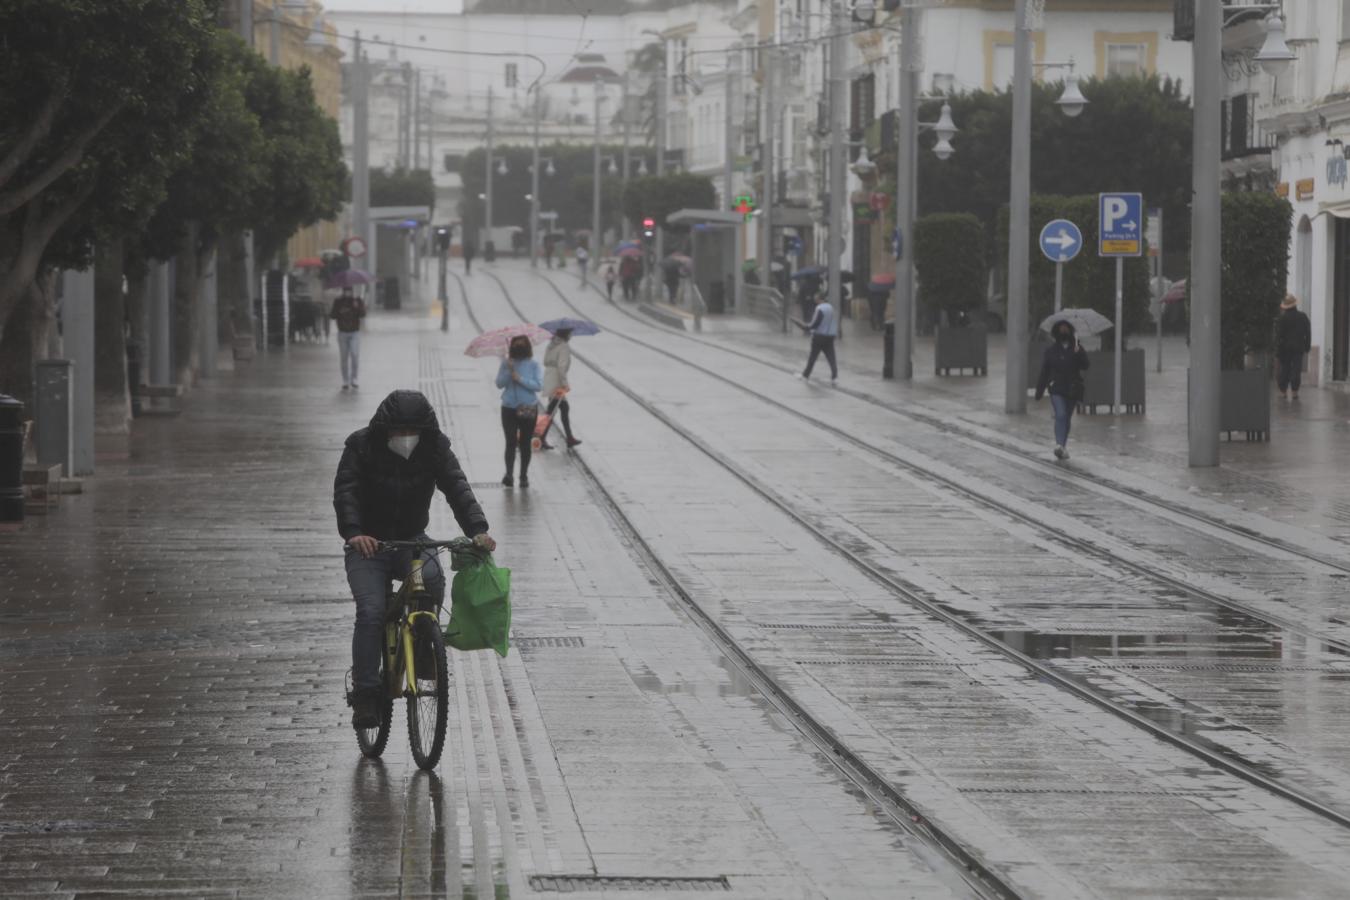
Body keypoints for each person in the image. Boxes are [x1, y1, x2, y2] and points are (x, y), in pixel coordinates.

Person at [334, 389, 497, 729]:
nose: (405, 438)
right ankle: (365, 693)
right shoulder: (360, 447)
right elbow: (346, 491)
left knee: (434, 579)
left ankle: (425, 650)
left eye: (412, 432)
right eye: (398, 431)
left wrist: (477, 530)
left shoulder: (436, 448)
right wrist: (354, 533)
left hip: (413, 539)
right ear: (384, 429)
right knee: (371, 612)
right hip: (369, 544)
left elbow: (457, 487)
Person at [1034, 319, 1090, 460]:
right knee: (1060, 414)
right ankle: (1059, 444)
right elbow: (1045, 372)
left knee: (1067, 418)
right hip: (1056, 388)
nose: (1064, 331)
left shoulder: (1077, 348)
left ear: (1070, 331)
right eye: (1061, 328)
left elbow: (1086, 365)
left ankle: (1062, 448)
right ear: (1057, 332)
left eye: (1066, 328)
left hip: (1072, 388)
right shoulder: (1051, 351)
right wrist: (1039, 391)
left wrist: (1079, 353)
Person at [496, 335, 542, 487]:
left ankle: (523, 476)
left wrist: (520, 378)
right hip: (508, 407)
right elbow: (499, 384)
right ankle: (509, 474)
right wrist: (509, 372)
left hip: (528, 407)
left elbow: (538, 385)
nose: (518, 348)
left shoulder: (534, 365)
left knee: (525, 443)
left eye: (521, 345)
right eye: (516, 345)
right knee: (510, 441)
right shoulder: (507, 363)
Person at [539, 328, 582, 450]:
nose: (571, 335)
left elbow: (545, 361)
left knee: (557, 409)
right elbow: (562, 366)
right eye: (570, 333)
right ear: (566, 334)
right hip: (557, 381)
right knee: (552, 411)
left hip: (549, 378)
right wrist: (565, 383)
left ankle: (568, 438)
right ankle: (542, 437)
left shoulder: (551, 344)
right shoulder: (563, 346)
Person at [796, 291, 838, 384]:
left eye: (816, 298)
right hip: (830, 336)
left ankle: (805, 376)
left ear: (819, 299)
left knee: (813, 357)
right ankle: (834, 377)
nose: (814, 300)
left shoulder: (819, 308)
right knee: (831, 357)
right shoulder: (831, 307)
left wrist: (807, 327)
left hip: (819, 336)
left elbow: (815, 323)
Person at [1276, 293, 1312, 399]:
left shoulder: (1282, 319)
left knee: (1285, 369)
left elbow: (1279, 336)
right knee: (1296, 369)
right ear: (1295, 305)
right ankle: (1295, 391)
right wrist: (1307, 346)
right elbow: (1308, 332)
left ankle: (1283, 391)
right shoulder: (1303, 316)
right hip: (1298, 348)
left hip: (1285, 348)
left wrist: (1278, 349)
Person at [330, 286, 366, 391]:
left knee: (355, 355)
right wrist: (339, 310)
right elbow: (332, 315)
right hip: (342, 333)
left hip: (355, 333)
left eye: (350, 291)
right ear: (343, 291)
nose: (348, 293)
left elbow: (363, 314)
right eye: (346, 291)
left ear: (352, 291)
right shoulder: (338, 301)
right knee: (344, 358)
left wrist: (357, 306)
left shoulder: (357, 300)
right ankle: (345, 380)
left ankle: (354, 378)